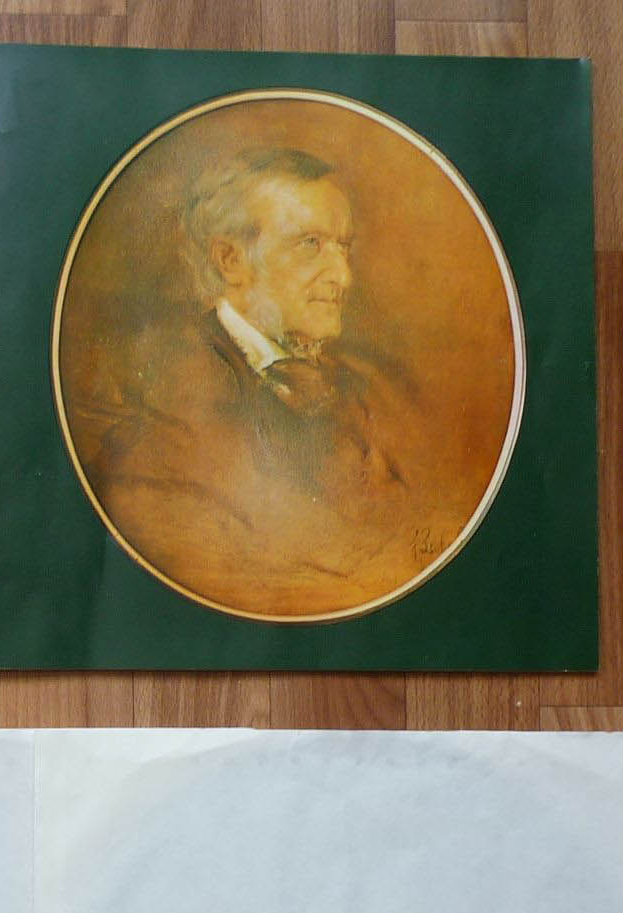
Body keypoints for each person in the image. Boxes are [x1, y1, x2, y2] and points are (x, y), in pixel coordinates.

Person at [64, 147, 465, 618]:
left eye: (344, 248)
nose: (343, 276)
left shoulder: (371, 388)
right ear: (231, 260)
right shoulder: (166, 401)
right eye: (310, 244)